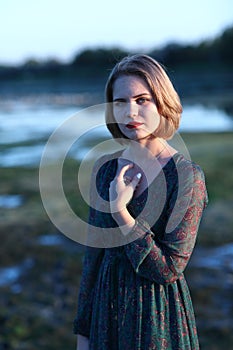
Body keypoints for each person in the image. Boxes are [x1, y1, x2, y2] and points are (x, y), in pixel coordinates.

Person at [73, 54, 208, 349]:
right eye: (120, 102)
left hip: (157, 318)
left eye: (141, 100)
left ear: (162, 102)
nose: (130, 112)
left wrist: (121, 212)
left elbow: (169, 269)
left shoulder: (186, 177)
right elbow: (93, 259)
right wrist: (83, 333)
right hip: (105, 317)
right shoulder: (105, 169)